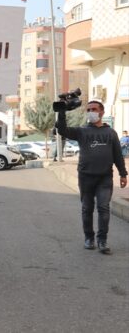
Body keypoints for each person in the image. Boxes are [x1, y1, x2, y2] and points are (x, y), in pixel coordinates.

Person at [56, 100, 127, 255]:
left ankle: (102, 240)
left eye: (93, 109)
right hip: (86, 177)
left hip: (105, 178)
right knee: (87, 209)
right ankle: (89, 238)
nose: (90, 112)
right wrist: (62, 112)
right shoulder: (82, 131)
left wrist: (123, 174)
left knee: (103, 208)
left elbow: (117, 155)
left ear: (102, 112)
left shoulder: (111, 133)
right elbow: (62, 130)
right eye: (88, 110)